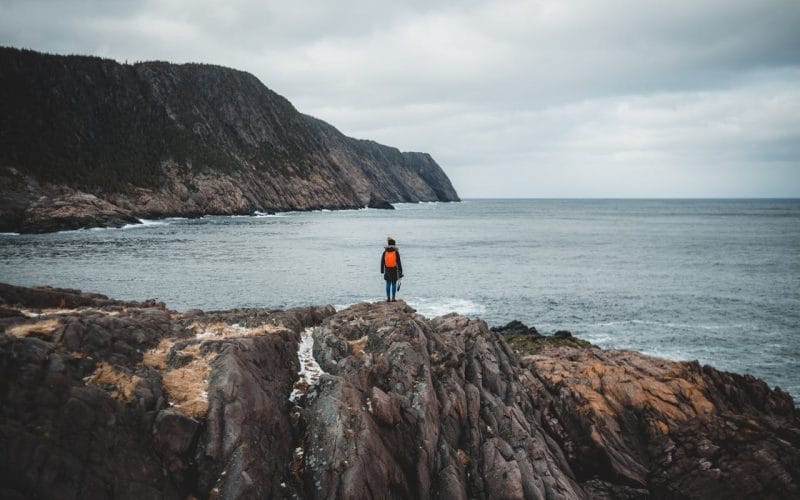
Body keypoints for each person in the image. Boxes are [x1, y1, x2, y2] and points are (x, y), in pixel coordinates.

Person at [381, 236, 403, 302]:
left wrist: (382, 270)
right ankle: (393, 298)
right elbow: (399, 262)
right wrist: (400, 271)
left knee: (388, 283)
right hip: (394, 270)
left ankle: (388, 298)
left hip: (387, 270)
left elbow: (382, 261)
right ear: (394, 245)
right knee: (393, 283)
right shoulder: (396, 252)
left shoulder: (385, 252)